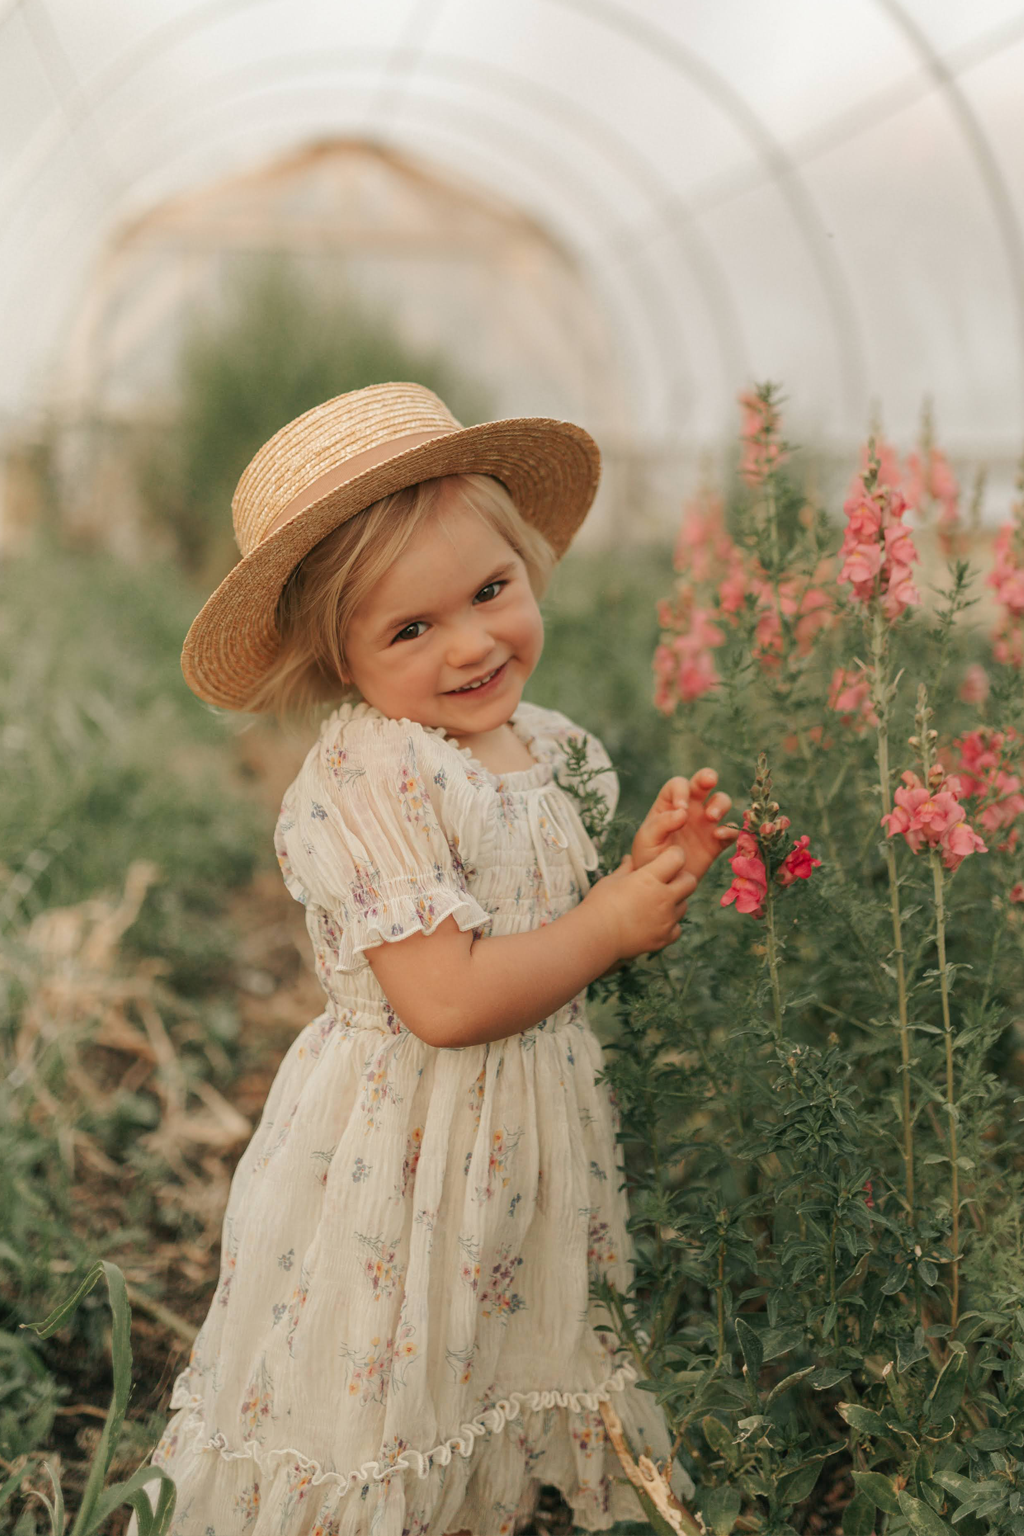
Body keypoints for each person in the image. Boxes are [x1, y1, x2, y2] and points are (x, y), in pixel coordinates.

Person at [141, 382, 736, 1536]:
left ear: (527, 569)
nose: (470, 643)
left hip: (526, 1128)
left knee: (496, 1341)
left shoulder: (552, 748)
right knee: (391, 1373)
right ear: (337, 659)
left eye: (489, 592)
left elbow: (541, 921)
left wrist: (645, 871)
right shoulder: (376, 776)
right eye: (410, 629)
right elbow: (450, 1000)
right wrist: (607, 924)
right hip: (405, 1150)